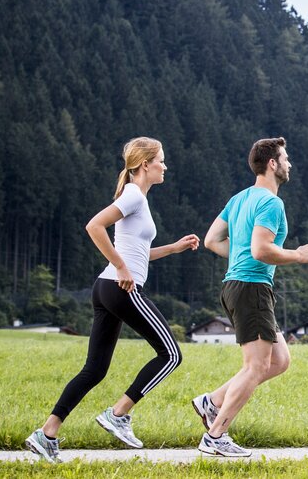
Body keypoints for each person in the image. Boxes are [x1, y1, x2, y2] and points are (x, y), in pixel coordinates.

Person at [25, 137, 199, 463]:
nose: (165, 166)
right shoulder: (133, 194)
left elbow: (138, 252)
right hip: (121, 289)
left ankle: (46, 434)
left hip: (106, 288)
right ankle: (118, 414)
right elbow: (95, 226)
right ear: (145, 164)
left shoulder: (136, 198)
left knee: (94, 370)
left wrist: (173, 248)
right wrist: (121, 266)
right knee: (171, 354)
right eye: (161, 160)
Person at [191, 137, 308, 457]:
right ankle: (216, 436)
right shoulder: (272, 203)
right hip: (252, 288)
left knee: (280, 360)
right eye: (285, 158)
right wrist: (297, 256)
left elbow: (211, 240)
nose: (289, 164)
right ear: (272, 164)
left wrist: (240, 254)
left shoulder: (240, 198)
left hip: (237, 286)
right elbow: (261, 250)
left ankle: (212, 401)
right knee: (257, 366)